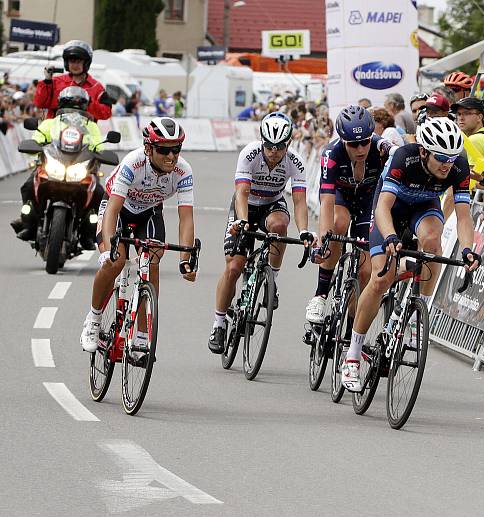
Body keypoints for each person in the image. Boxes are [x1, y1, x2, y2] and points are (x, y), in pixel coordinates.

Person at [341, 117, 481, 391]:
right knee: (381, 279)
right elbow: (382, 208)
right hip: (390, 209)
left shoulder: (458, 166)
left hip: (423, 206)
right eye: (441, 157)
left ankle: (419, 311)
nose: (447, 164)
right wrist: (391, 236)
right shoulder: (404, 158)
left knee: (432, 241)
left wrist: (468, 249)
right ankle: (353, 356)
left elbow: (464, 217)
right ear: (424, 152)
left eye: (452, 158)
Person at [79, 118, 197, 352]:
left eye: (176, 149)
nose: (171, 156)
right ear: (148, 148)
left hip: (150, 211)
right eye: (164, 150)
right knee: (115, 261)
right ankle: (93, 319)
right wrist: (109, 248)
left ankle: (142, 334)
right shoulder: (133, 163)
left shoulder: (183, 171)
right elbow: (112, 210)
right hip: (118, 208)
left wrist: (185, 260)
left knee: (152, 260)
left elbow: (186, 218)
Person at [208, 113, 313, 353]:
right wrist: (243, 221)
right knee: (234, 268)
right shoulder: (250, 154)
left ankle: (271, 281)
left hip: (272, 205)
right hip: (246, 205)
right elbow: (242, 193)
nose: (274, 152)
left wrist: (305, 230)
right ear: (262, 141)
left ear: (288, 144)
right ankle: (219, 323)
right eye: (269, 146)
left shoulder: (295, 162)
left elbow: (299, 202)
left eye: (280, 147)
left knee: (279, 227)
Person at [304, 105, 392, 324]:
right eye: (354, 144)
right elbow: (326, 201)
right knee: (338, 223)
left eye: (365, 142)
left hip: (368, 200)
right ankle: (320, 294)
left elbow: (398, 154)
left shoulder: (381, 147)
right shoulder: (331, 154)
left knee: (366, 271)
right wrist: (324, 238)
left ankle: (352, 327)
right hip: (341, 197)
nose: (361, 149)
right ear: (343, 140)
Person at [11, 87, 105, 247]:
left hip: (79, 169)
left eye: (78, 107)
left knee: (99, 194)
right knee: (27, 186)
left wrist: (98, 155)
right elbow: (38, 138)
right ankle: (28, 224)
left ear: (84, 107)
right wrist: (35, 145)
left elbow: (99, 148)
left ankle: (89, 233)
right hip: (53, 166)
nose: (74, 110)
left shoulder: (92, 127)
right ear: (61, 104)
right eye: (70, 105)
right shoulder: (50, 123)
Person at [33, 40, 112, 121]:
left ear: (86, 63)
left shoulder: (97, 87)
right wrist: (47, 80)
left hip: (85, 131)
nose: (75, 65)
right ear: (67, 63)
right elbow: (40, 103)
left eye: (78, 62)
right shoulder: (55, 82)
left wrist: (88, 102)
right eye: (72, 61)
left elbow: (106, 113)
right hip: (56, 130)